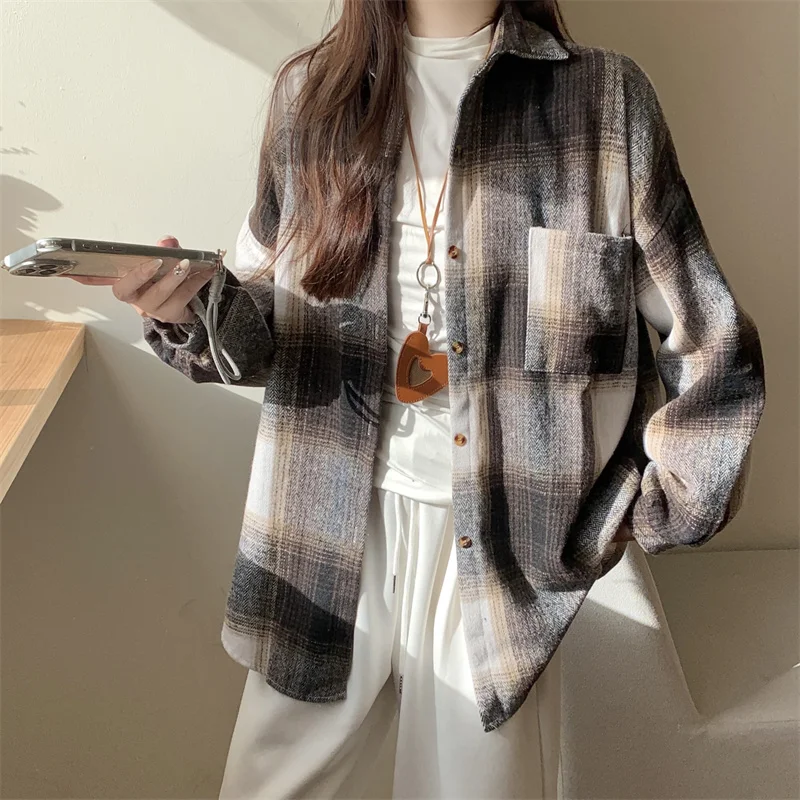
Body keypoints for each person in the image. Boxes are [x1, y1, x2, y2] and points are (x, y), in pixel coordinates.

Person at [73, 0, 766, 797]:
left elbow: (707, 334)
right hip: (324, 523)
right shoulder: (310, 99)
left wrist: (660, 507)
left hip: (507, 545)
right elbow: (267, 324)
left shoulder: (606, 102)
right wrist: (189, 306)